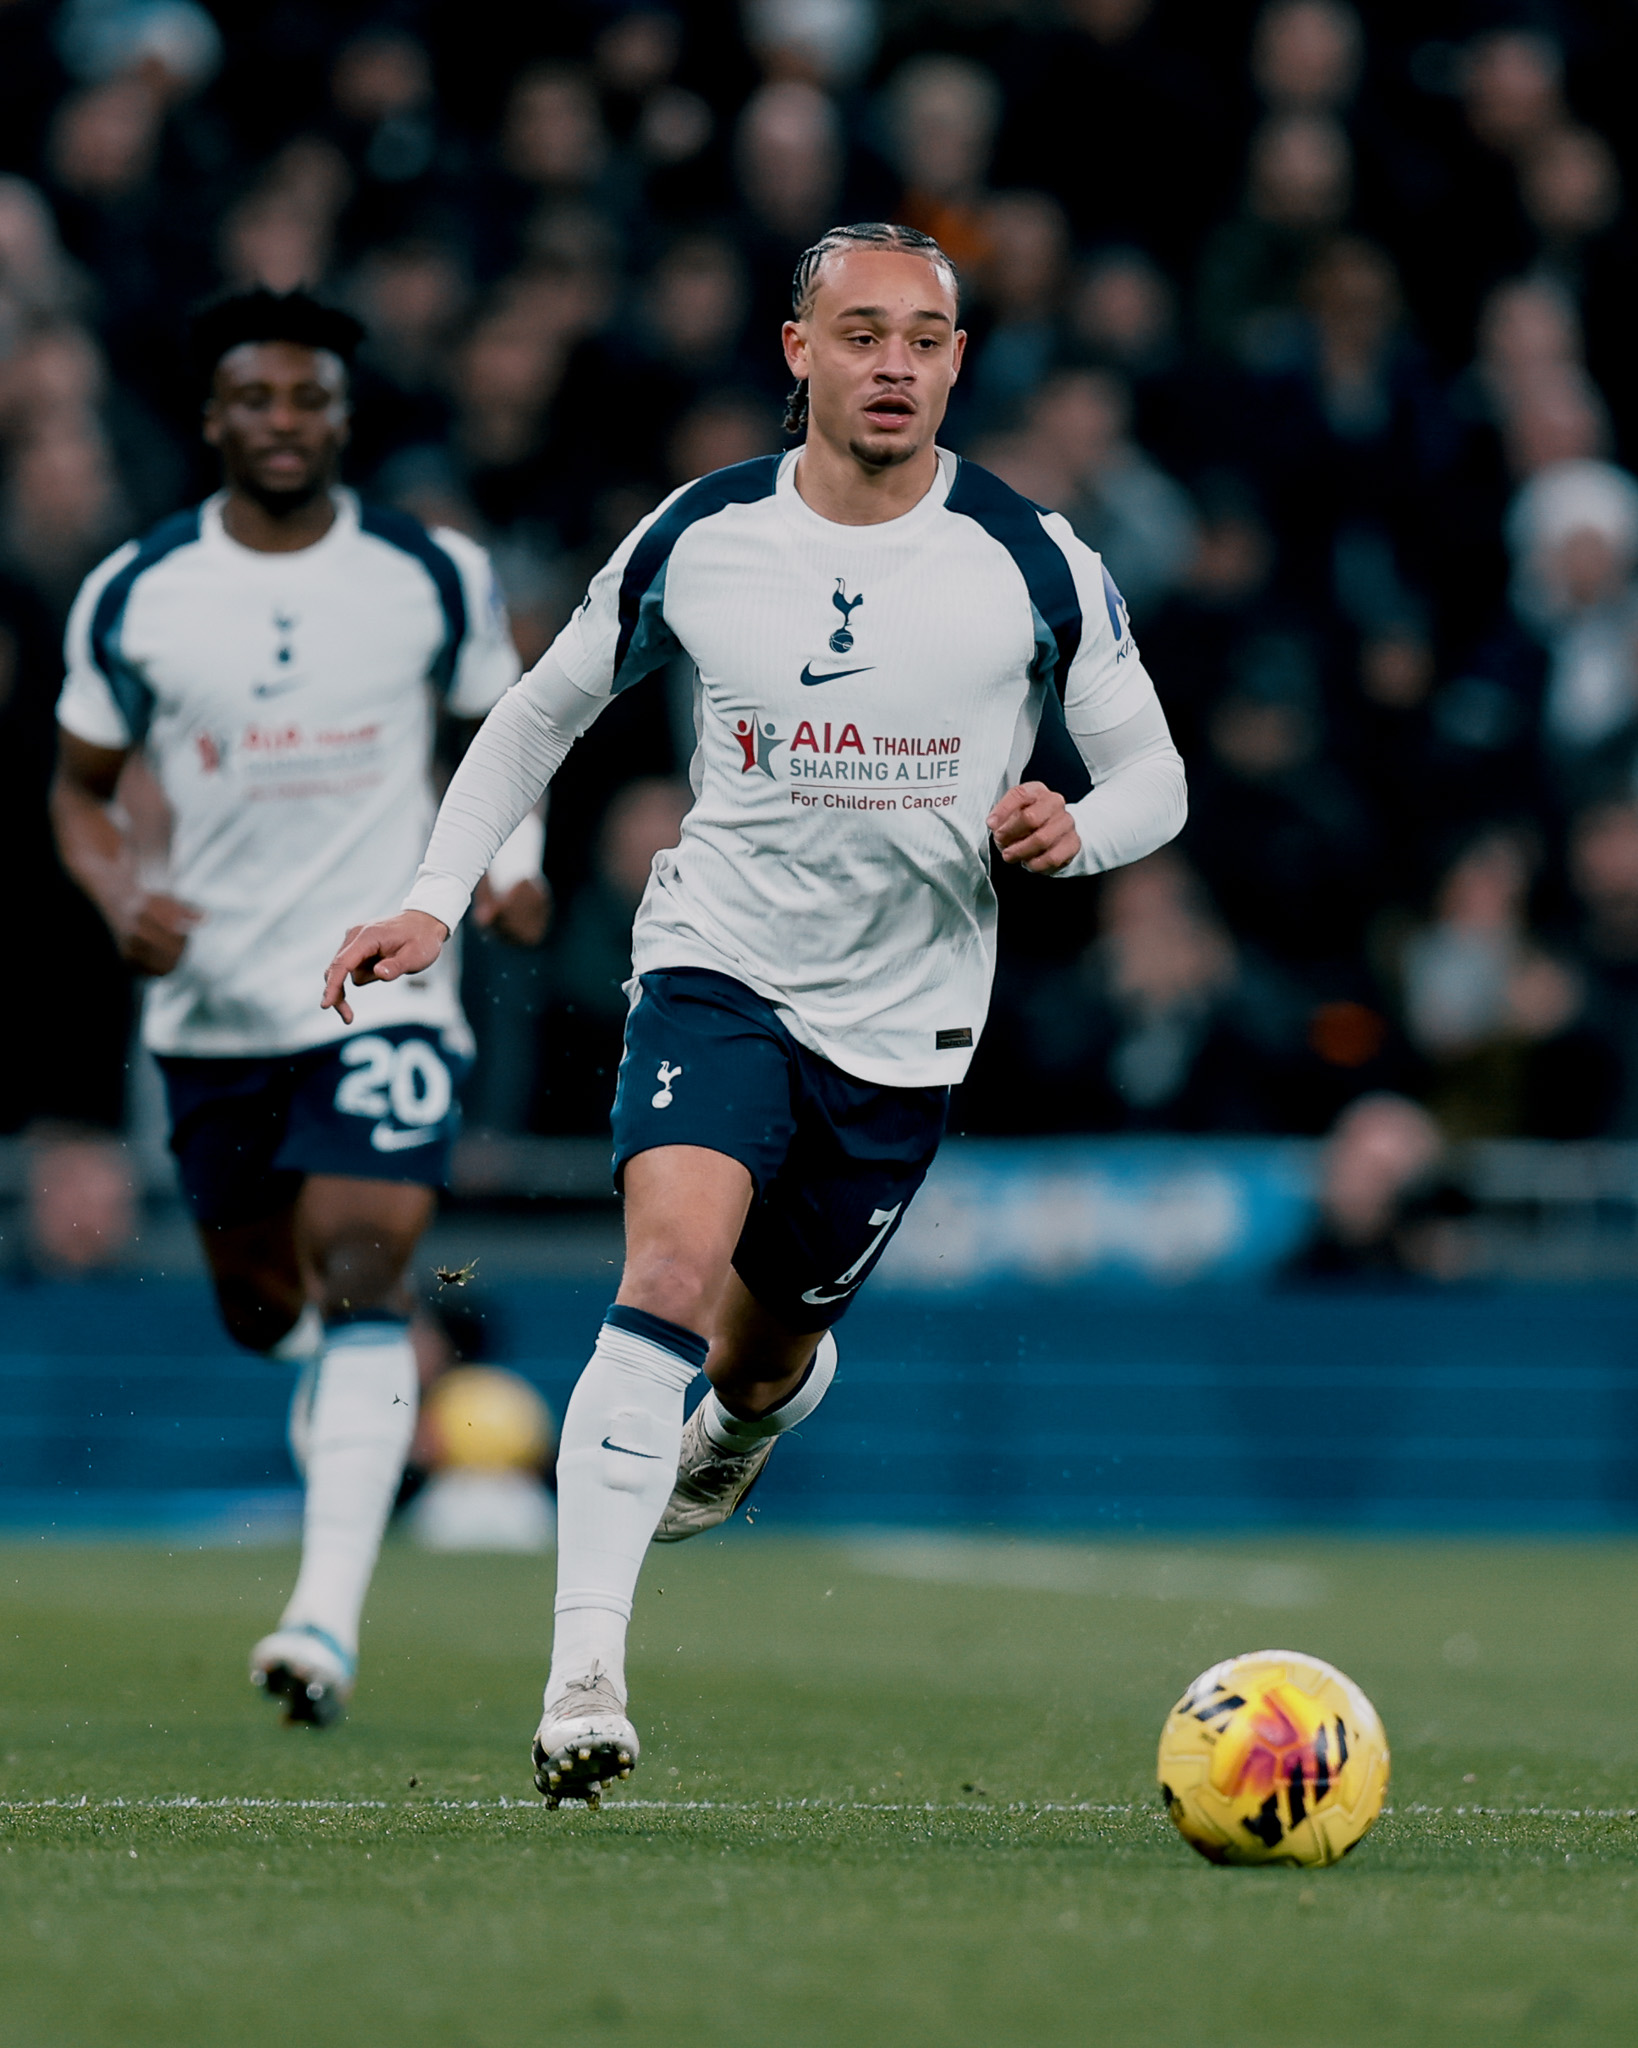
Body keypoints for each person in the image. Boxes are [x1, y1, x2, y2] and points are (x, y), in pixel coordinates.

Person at [322, 222, 1187, 1805]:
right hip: (718, 965)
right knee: (662, 1266)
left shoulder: (1032, 556)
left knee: (771, 1345)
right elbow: (538, 710)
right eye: (860, 335)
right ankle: (583, 1675)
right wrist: (433, 899)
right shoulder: (701, 532)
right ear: (797, 353)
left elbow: (1155, 775)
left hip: (908, 1023)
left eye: (923, 340)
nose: (893, 366)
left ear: (955, 364)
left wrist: (1082, 829)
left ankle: (749, 1413)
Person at [50, 288, 541, 1724]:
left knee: (365, 1269)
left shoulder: (430, 574)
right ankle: (341, 1393)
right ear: (214, 418)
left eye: (309, 400)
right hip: (210, 1012)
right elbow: (77, 795)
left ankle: (321, 1622)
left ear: (343, 415)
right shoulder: (136, 591)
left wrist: (509, 865)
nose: (282, 423)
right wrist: (116, 893)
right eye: (255, 400)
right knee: (265, 1309)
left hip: (382, 988)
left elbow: (504, 737)